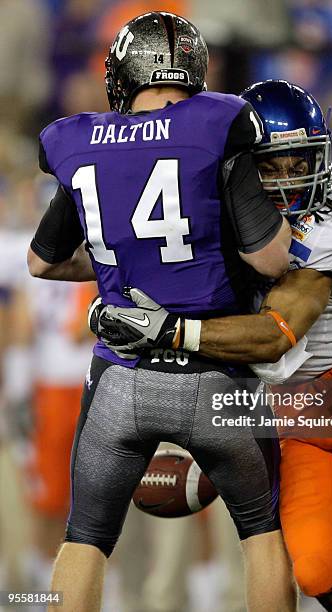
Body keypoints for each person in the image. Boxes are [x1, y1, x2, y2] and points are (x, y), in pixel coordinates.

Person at [95, 79, 332, 612]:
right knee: (318, 571)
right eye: (270, 166)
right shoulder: (210, 223)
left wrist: (170, 330)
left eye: (299, 161)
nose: (290, 179)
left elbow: (276, 331)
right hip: (296, 406)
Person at [27, 12, 295, 612]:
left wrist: (123, 261)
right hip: (215, 373)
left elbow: (42, 263)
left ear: (124, 73)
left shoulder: (80, 140)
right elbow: (270, 258)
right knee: (262, 533)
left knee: (86, 540)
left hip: (120, 379)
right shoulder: (217, 123)